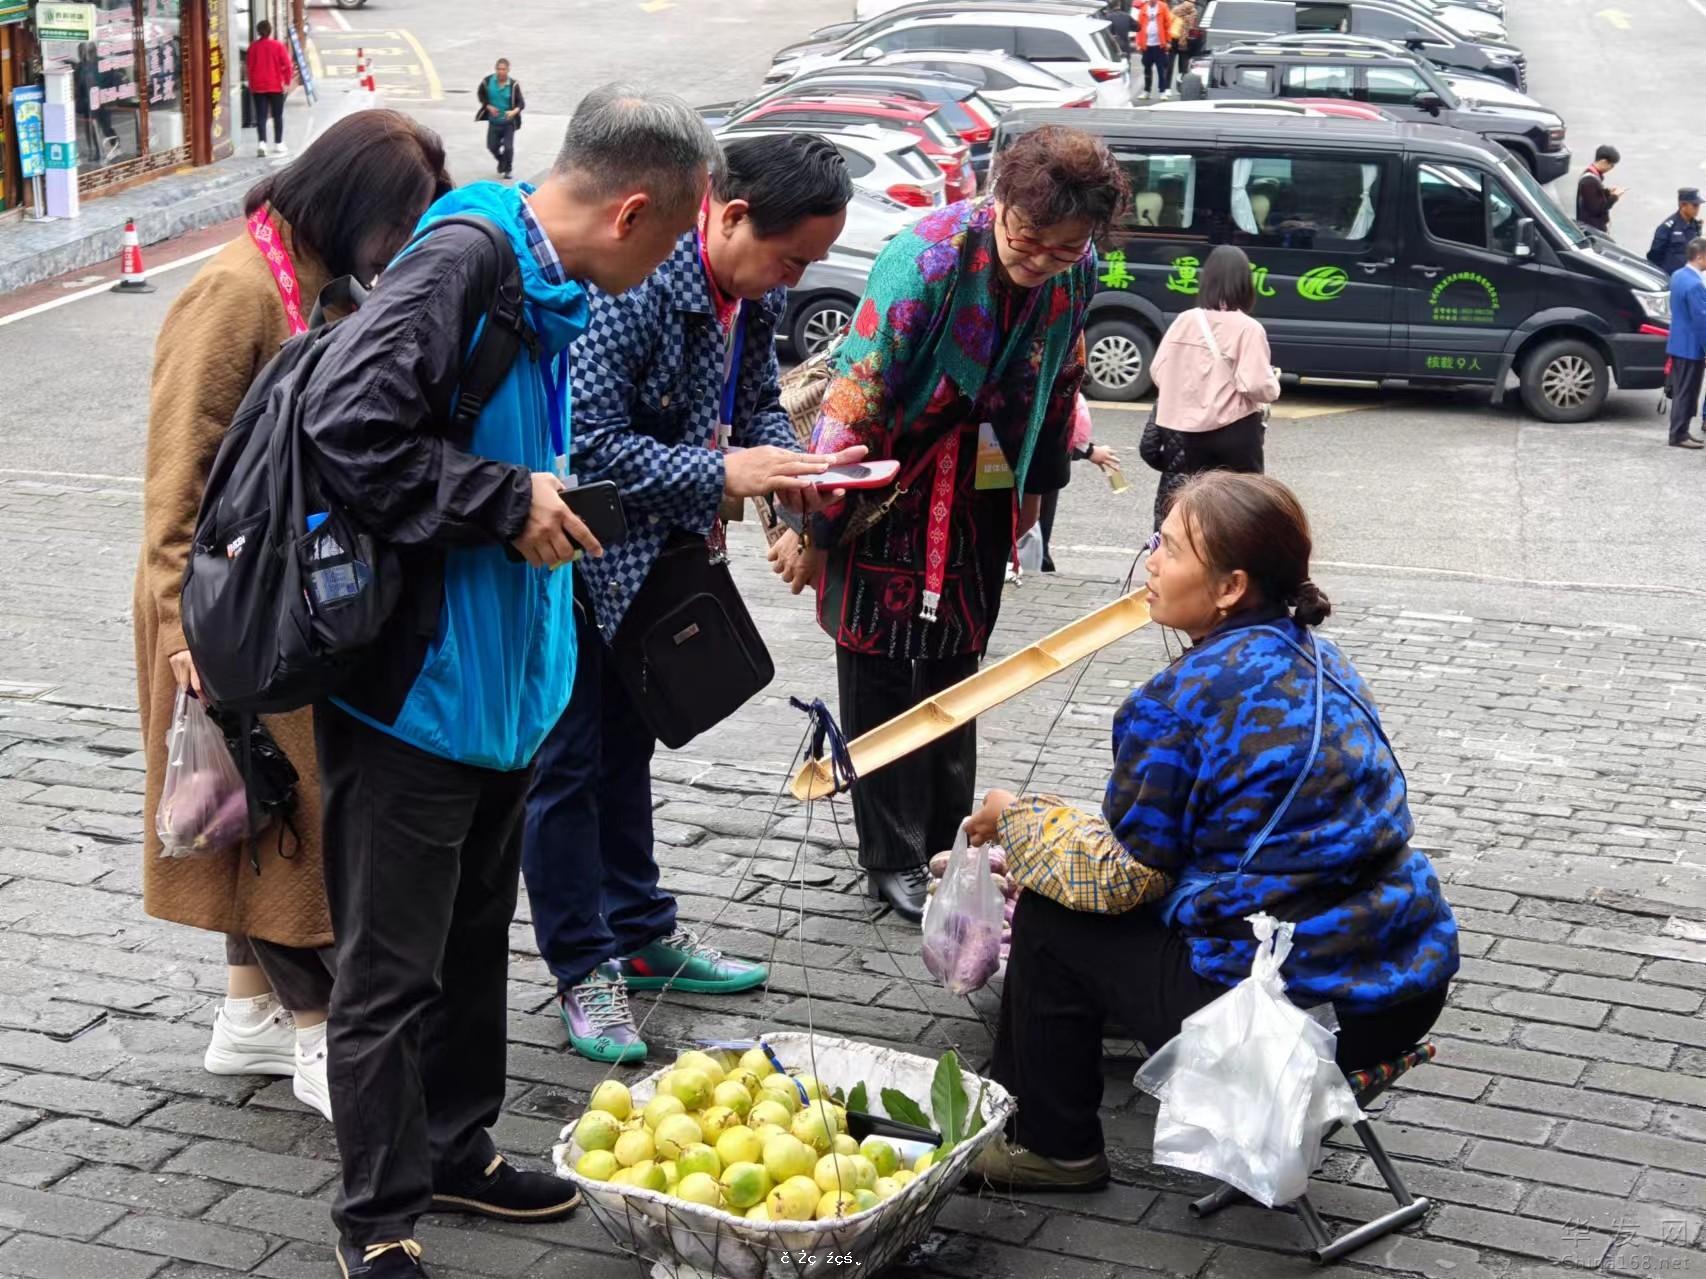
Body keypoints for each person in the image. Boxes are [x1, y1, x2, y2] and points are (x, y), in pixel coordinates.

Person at [296, 85, 719, 1279]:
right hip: (417, 693)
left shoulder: (542, 284)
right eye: (675, 238)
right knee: (387, 968)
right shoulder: (467, 258)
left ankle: (454, 1145)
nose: (668, 266)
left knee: (474, 939)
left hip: (506, 690)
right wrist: (505, 499)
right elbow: (347, 428)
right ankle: (376, 1219)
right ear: (634, 210)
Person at [963, 472, 1459, 1191]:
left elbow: (1123, 874)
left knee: (1050, 913)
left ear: (1229, 587)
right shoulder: (1327, 659)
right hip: (1407, 988)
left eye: (1167, 546)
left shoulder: (1177, 699)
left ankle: (1052, 1145)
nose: (1151, 561)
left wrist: (1018, 819)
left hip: (1298, 1020)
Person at [134, 111, 452, 1131]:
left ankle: (249, 1017)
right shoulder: (234, 290)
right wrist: (185, 630)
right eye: (397, 219)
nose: (401, 242)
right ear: (353, 205)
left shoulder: (307, 284)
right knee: (282, 821)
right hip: (217, 609)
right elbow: (175, 476)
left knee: (252, 808)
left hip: (260, 600)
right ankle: (316, 1032)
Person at [522, 133, 860, 1064]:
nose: (794, 277)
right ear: (733, 215)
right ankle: (579, 962)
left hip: (662, 563)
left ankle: (637, 927)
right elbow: (584, 449)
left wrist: (789, 466)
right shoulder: (638, 281)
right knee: (568, 767)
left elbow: (756, 400)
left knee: (631, 749)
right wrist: (725, 468)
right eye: (792, 258)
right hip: (580, 562)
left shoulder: (753, 286)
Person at [769, 126, 1130, 920]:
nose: (1038, 263)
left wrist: (1035, 497)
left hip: (983, 484)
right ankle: (889, 851)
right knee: (879, 667)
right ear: (1000, 204)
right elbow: (852, 404)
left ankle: (947, 839)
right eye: (1026, 240)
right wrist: (814, 533)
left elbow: (1058, 383)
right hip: (888, 483)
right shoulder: (926, 257)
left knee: (956, 664)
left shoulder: (1076, 271)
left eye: (1063, 251)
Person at [1146, 244, 1281, 529]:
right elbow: (1256, 385)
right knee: (1243, 505)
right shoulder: (1248, 328)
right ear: (1245, 283)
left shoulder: (1185, 320)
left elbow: (1158, 371)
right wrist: (1273, 385)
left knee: (1195, 505)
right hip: (1235, 430)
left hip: (1187, 432)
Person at [1664, 237, 1706, 449]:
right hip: (1691, 347)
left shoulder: (1678, 275)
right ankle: (1679, 434)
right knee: (1687, 392)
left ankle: (1681, 431)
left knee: (1682, 390)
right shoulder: (1696, 285)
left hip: (1678, 342)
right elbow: (1702, 320)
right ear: (1700, 256)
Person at [247, 20, 293, 158]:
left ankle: (262, 143)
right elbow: (288, 65)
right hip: (275, 86)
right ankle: (278, 143)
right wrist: (286, 82)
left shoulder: (253, 47)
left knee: (261, 115)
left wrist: (251, 84)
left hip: (258, 86)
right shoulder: (278, 46)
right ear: (270, 30)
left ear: (258, 31)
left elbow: (249, 67)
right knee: (277, 115)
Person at [476, 57, 525, 181]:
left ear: (508, 70)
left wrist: (514, 112)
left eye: (503, 69)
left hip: (508, 123)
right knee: (491, 146)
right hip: (494, 122)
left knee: (508, 148)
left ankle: (508, 169)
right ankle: (501, 161)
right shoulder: (487, 82)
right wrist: (488, 106)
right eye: (498, 69)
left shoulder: (513, 85)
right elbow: (480, 95)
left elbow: (521, 103)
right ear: (495, 69)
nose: (501, 72)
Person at [1647, 188, 1703, 276]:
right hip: (1670, 276)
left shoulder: (1695, 225)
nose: (1698, 209)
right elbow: (1654, 255)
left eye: (1698, 205)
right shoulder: (1668, 227)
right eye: (1694, 205)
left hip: (1688, 275)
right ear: (1682, 205)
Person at [1575, 144, 1622, 235]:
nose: (1611, 168)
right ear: (1604, 161)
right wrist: (1614, 197)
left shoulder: (1592, 176)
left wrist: (1607, 192)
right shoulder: (1589, 181)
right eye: (1611, 165)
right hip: (1592, 230)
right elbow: (1596, 209)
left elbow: (1593, 197)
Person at [1133, 0, 1175, 100]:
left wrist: (1168, 41)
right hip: (1147, 45)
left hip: (1159, 45)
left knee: (1161, 70)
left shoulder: (1163, 7)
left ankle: (1162, 91)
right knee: (1147, 69)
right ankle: (1147, 91)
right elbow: (1139, 27)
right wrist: (1138, 43)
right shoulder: (1143, 8)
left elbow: (1168, 25)